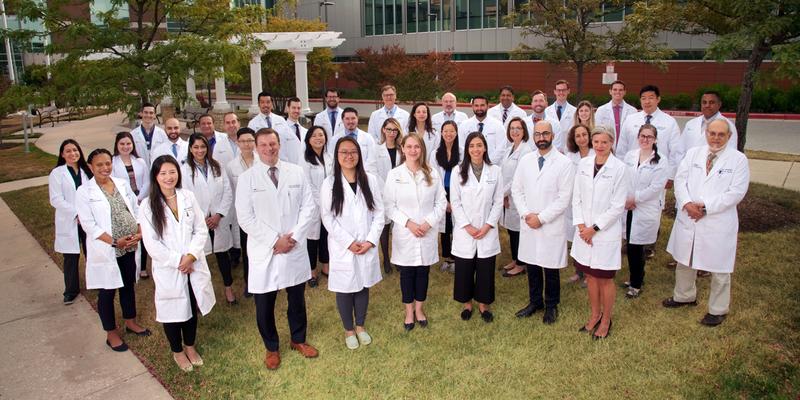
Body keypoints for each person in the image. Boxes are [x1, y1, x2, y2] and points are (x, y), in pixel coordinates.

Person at [235, 128, 319, 370]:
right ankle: (271, 347)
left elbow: (308, 207)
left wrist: (293, 237)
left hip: (292, 246)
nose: (269, 148)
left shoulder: (296, 172)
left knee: (296, 298)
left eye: (273, 144)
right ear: (256, 147)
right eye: (263, 145)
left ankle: (298, 339)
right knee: (264, 303)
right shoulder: (247, 179)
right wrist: (275, 240)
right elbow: (245, 218)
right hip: (265, 249)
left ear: (279, 145)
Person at [663, 119, 749, 327]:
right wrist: (686, 203)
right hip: (689, 215)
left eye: (721, 134)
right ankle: (684, 295)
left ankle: (718, 309)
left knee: (720, 267)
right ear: (706, 133)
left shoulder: (738, 160)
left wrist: (706, 207)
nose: (716, 138)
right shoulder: (694, 154)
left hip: (717, 221)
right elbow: (680, 181)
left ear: (729, 137)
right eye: (712, 133)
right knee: (685, 259)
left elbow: (736, 192)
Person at [138, 155, 216, 372]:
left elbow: (200, 229)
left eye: (172, 172)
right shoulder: (147, 205)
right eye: (163, 173)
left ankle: (190, 347)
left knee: (191, 305)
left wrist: (191, 255)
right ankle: (177, 351)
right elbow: (151, 243)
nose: (168, 177)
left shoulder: (187, 196)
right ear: (155, 176)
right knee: (172, 311)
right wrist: (178, 261)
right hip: (169, 268)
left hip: (193, 263)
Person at [75, 148, 150, 352]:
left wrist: (139, 229)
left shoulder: (122, 183)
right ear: (90, 166)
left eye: (108, 163)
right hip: (108, 248)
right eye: (99, 164)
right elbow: (88, 225)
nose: (105, 168)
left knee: (128, 285)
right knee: (107, 292)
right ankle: (111, 333)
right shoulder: (84, 192)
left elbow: (135, 209)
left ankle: (130, 321)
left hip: (130, 244)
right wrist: (116, 242)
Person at [320, 136, 384, 349]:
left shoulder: (371, 180)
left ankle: (360, 326)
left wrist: (370, 241)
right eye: (344, 152)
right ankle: (349, 329)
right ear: (337, 156)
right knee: (345, 287)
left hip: (366, 243)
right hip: (342, 246)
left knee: (363, 284)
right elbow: (327, 217)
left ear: (359, 155)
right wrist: (348, 242)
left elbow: (379, 213)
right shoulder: (329, 184)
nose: (349, 156)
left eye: (353, 152)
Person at [511, 120, 575, 324]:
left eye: (545, 134)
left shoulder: (564, 163)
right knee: (532, 265)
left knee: (550, 267)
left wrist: (541, 218)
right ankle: (535, 302)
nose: (541, 138)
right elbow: (516, 190)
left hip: (550, 224)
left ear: (553, 136)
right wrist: (525, 213)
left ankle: (551, 305)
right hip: (528, 221)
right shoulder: (526, 160)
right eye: (538, 134)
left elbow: (564, 198)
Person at [383, 132, 446, 331]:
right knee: (407, 274)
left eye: (416, 147)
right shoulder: (394, 175)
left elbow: (441, 202)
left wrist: (427, 223)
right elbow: (389, 205)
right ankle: (409, 311)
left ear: (422, 149)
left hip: (426, 231)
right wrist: (409, 224)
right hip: (406, 233)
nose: (413, 150)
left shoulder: (432, 173)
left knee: (423, 272)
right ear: (403, 148)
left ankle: (419, 309)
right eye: (409, 147)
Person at [570, 126, 628, 339]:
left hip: (603, 233)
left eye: (604, 142)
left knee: (604, 278)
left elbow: (617, 205)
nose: (600, 146)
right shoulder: (584, 164)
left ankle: (606, 319)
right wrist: (580, 226)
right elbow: (576, 196)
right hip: (584, 231)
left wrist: (594, 229)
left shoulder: (619, 168)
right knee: (591, 276)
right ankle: (594, 315)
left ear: (611, 143)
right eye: (596, 142)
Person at [450, 131, 504, 323]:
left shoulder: (495, 171)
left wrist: (488, 225)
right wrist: (467, 226)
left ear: (485, 148)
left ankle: (483, 304)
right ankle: (467, 304)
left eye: (479, 145)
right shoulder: (458, 171)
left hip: (487, 229)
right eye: (472, 146)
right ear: (467, 149)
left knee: (485, 268)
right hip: (466, 230)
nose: (475, 149)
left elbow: (498, 202)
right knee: (464, 268)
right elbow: (455, 202)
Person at [181, 134, 237, 305]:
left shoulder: (216, 166)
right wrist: (202, 218)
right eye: (196, 147)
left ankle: (228, 289)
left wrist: (218, 215)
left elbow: (227, 192)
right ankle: (199, 296)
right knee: (198, 258)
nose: (200, 150)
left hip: (217, 219)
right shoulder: (184, 170)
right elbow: (184, 197)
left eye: (203, 147)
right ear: (190, 149)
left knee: (222, 255)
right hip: (198, 221)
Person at [621, 124, 669, 298]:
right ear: (638, 137)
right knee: (630, 245)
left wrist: (635, 198)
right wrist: (627, 199)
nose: (645, 139)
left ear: (655, 139)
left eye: (649, 136)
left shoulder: (661, 161)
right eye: (642, 136)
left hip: (644, 208)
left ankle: (636, 283)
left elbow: (656, 187)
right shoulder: (630, 156)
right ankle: (635, 277)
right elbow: (623, 179)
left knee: (637, 246)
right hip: (628, 207)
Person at [49, 139, 92, 305]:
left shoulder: (86, 171)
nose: (73, 153)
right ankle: (71, 290)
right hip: (70, 220)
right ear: (62, 154)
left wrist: (85, 214)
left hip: (87, 219)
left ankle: (94, 281)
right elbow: (56, 200)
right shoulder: (57, 173)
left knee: (92, 252)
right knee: (71, 257)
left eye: (75, 150)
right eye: (68, 151)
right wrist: (77, 213)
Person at [617, 85, 683, 181]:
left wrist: (670, 176)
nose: (647, 101)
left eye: (651, 98)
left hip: (658, 172)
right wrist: (621, 171)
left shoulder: (669, 122)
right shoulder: (630, 120)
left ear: (658, 99)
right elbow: (622, 148)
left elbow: (675, 151)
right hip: (631, 171)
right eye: (644, 98)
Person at [111, 132, 151, 278]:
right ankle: (129, 263)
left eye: (128, 143)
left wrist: (139, 198)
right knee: (129, 231)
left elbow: (147, 181)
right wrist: (130, 201)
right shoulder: (113, 162)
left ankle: (143, 267)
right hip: (123, 204)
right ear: (116, 145)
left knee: (142, 232)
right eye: (122, 144)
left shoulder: (140, 161)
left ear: (132, 145)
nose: (125, 147)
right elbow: (113, 184)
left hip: (140, 201)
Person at [226, 127, 258, 297]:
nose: (247, 144)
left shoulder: (263, 161)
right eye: (243, 141)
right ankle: (249, 283)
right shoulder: (231, 166)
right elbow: (231, 191)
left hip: (263, 214)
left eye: (250, 140)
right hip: (245, 216)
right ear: (237, 143)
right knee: (247, 251)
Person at [499, 117, 532, 278]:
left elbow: (517, 178)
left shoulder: (526, 150)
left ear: (524, 130)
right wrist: (504, 196)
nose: (515, 131)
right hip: (508, 196)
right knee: (511, 230)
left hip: (519, 196)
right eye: (512, 128)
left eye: (518, 128)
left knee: (518, 231)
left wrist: (501, 194)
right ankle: (515, 259)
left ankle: (521, 264)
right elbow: (504, 174)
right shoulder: (509, 148)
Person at [302, 126, 333, 286]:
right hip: (313, 206)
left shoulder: (329, 157)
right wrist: (322, 204)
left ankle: (326, 266)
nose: (318, 138)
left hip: (329, 205)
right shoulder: (305, 160)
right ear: (308, 139)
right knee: (312, 239)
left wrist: (330, 202)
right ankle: (312, 271)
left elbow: (334, 180)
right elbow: (308, 186)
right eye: (314, 136)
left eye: (321, 135)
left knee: (327, 236)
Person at [564, 124, 594, 286]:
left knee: (589, 237)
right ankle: (578, 271)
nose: (581, 138)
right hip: (575, 201)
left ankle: (590, 274)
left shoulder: (596, 153)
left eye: (584, 135)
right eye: (578, 136)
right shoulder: (570, 156)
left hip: (591, 201)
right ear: (573, 139)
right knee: (577, 237)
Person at [430, 120, 461, 273]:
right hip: (441, 192)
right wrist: (445, 200)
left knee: (457, 225)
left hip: (458, 193)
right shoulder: (435, 153)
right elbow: (433, 177)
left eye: (452, 131)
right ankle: (447, 258)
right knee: (444, 227)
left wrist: (454, 200)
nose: (448, 134)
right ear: (441, 133)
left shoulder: (462, 152)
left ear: (456, 133)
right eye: (445, 131)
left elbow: (464, 175)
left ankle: (456, 257)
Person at [374, 118, 404, 274]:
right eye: (389, 129)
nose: (392, 133)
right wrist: (385, 188)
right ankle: (386, 259)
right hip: (382, 193)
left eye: (395, 130)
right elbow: (372, 171)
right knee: (384, 228)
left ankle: (398, 259)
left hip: (401, 193)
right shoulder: (376, 149)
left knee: (399, 227)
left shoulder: (403, 150)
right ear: (383, 130)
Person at [247, 91, 301, 164]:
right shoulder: (252, 124)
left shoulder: (281, 120)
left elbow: (292, 141)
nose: (265, 105)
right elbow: (252, 147)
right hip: (263, 162)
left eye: (268, 102)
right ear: (258, 104)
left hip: (282, 160)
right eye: (262, 102)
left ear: (272, 104)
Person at [457, 96, 507, 165]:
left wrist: (487, 163)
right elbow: (461, 147)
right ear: (472, 107)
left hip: (492, 166)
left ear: (487, 106)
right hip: (469, 166)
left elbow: (501, 148)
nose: (479, 108)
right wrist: (472, 162)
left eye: (482, 105)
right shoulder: (464, 125)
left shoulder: (498, 125)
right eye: (476, 105)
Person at [329, 107, 378, 175]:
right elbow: (332, 160)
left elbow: (372, 160)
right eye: (347, 119)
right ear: (342, 120)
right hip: (343, 175)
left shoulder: (368, 138)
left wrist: (360, 173)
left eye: (353, 118)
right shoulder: (335, 140)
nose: (350, 121)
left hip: (364, 174)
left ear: (357, 119)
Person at [595, 80, 637, 145]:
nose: (618, 92)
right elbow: (597, 131)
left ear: (624, 92)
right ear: (610, 91)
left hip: (626, 146)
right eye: (615, 89)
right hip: (606, 146)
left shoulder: (633, 111)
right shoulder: (601, 110)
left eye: (620, 90)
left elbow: (634, 132)